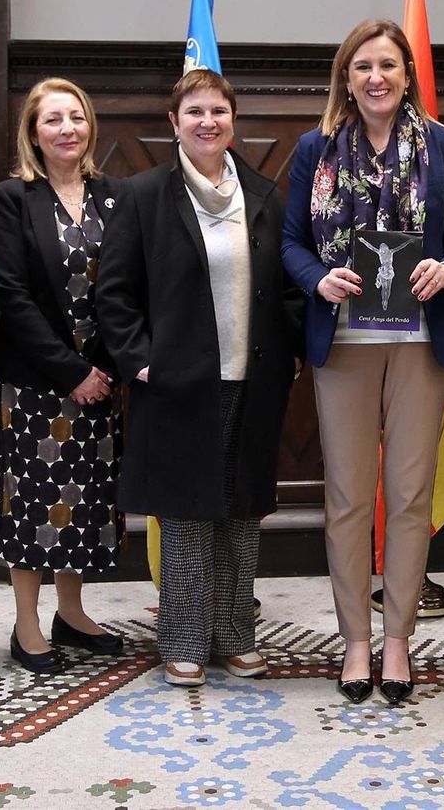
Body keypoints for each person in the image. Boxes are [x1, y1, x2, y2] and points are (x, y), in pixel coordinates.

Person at [281, 19, 444, 706]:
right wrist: (317, 280)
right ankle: (355, 641)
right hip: (345, 346)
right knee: (348, 497)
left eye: (388, 64)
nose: (376, 77)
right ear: (346, 75)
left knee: (412, 496)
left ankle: (398, 640)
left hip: (421, 342)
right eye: (363, 65)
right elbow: (291, 243)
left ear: (406, 73)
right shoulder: (315, 148)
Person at [96, 69, 302, 688]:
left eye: (218, 111)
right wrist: (139, 360)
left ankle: (235, 635)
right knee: (185, 514)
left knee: (241, 513)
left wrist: (288, 350)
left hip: (254, 379)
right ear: (174, 123)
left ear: (233, 120)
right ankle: (184, 640)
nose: (207, 121)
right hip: (177, 381)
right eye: (194, 112)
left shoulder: (264, 195)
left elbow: (288, 288)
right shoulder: (142, 195)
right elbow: (115, 294)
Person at [0, 77, 123, 674]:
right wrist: (70, 372)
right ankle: (26, 625)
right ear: (34, 134)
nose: (67, 128)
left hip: (103, 379)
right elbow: (11, 295)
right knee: (36, 503)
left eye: (77, 116)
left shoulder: (115, 197)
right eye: (53, 120)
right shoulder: (12, 197)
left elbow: (128, 288)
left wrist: (105, 369)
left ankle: (72, 613)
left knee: (88, 501)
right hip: (38, 383)